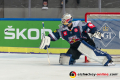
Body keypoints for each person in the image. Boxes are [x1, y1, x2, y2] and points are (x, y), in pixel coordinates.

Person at [40, 13, 115, 66]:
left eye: (65, 20)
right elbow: (53, 35)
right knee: (65, 60)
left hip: (85, 43)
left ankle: (108, 59)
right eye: (63, 20)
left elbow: (89, 25)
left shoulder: (78, 24)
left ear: (69, 20)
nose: (63, 22)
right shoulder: (62, 30)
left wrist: (95, 31)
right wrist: (47, 39)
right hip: (75, 46)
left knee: (92, 53)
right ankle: (73, 58)